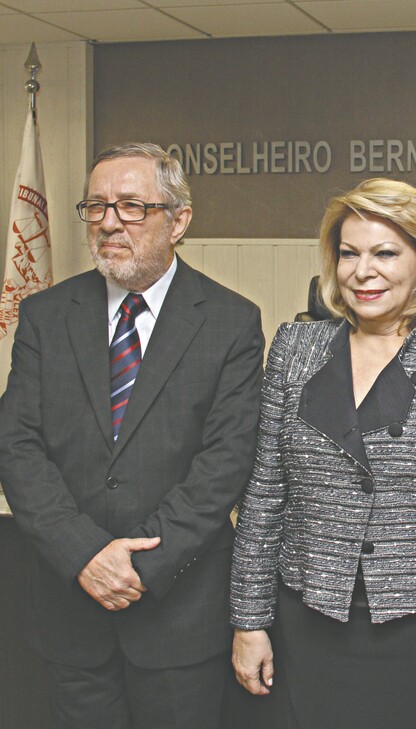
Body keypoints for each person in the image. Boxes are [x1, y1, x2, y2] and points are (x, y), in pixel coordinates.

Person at [230, 178, 416, 727]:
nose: (362, 271)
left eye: (385, 253)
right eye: (348, 253)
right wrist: (249, 621)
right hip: (310, 622)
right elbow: (265, 493)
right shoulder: (295, 349)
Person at [0, 142, 265, 729]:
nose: (109, 221)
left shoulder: (230, 321)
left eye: (130, 206)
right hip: (71, 612)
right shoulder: (47, 314)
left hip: (178, 616)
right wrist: (85, 554)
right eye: (95, 207)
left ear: (179, 221)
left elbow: (225, 464)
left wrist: (137, 566)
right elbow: (16, 445)